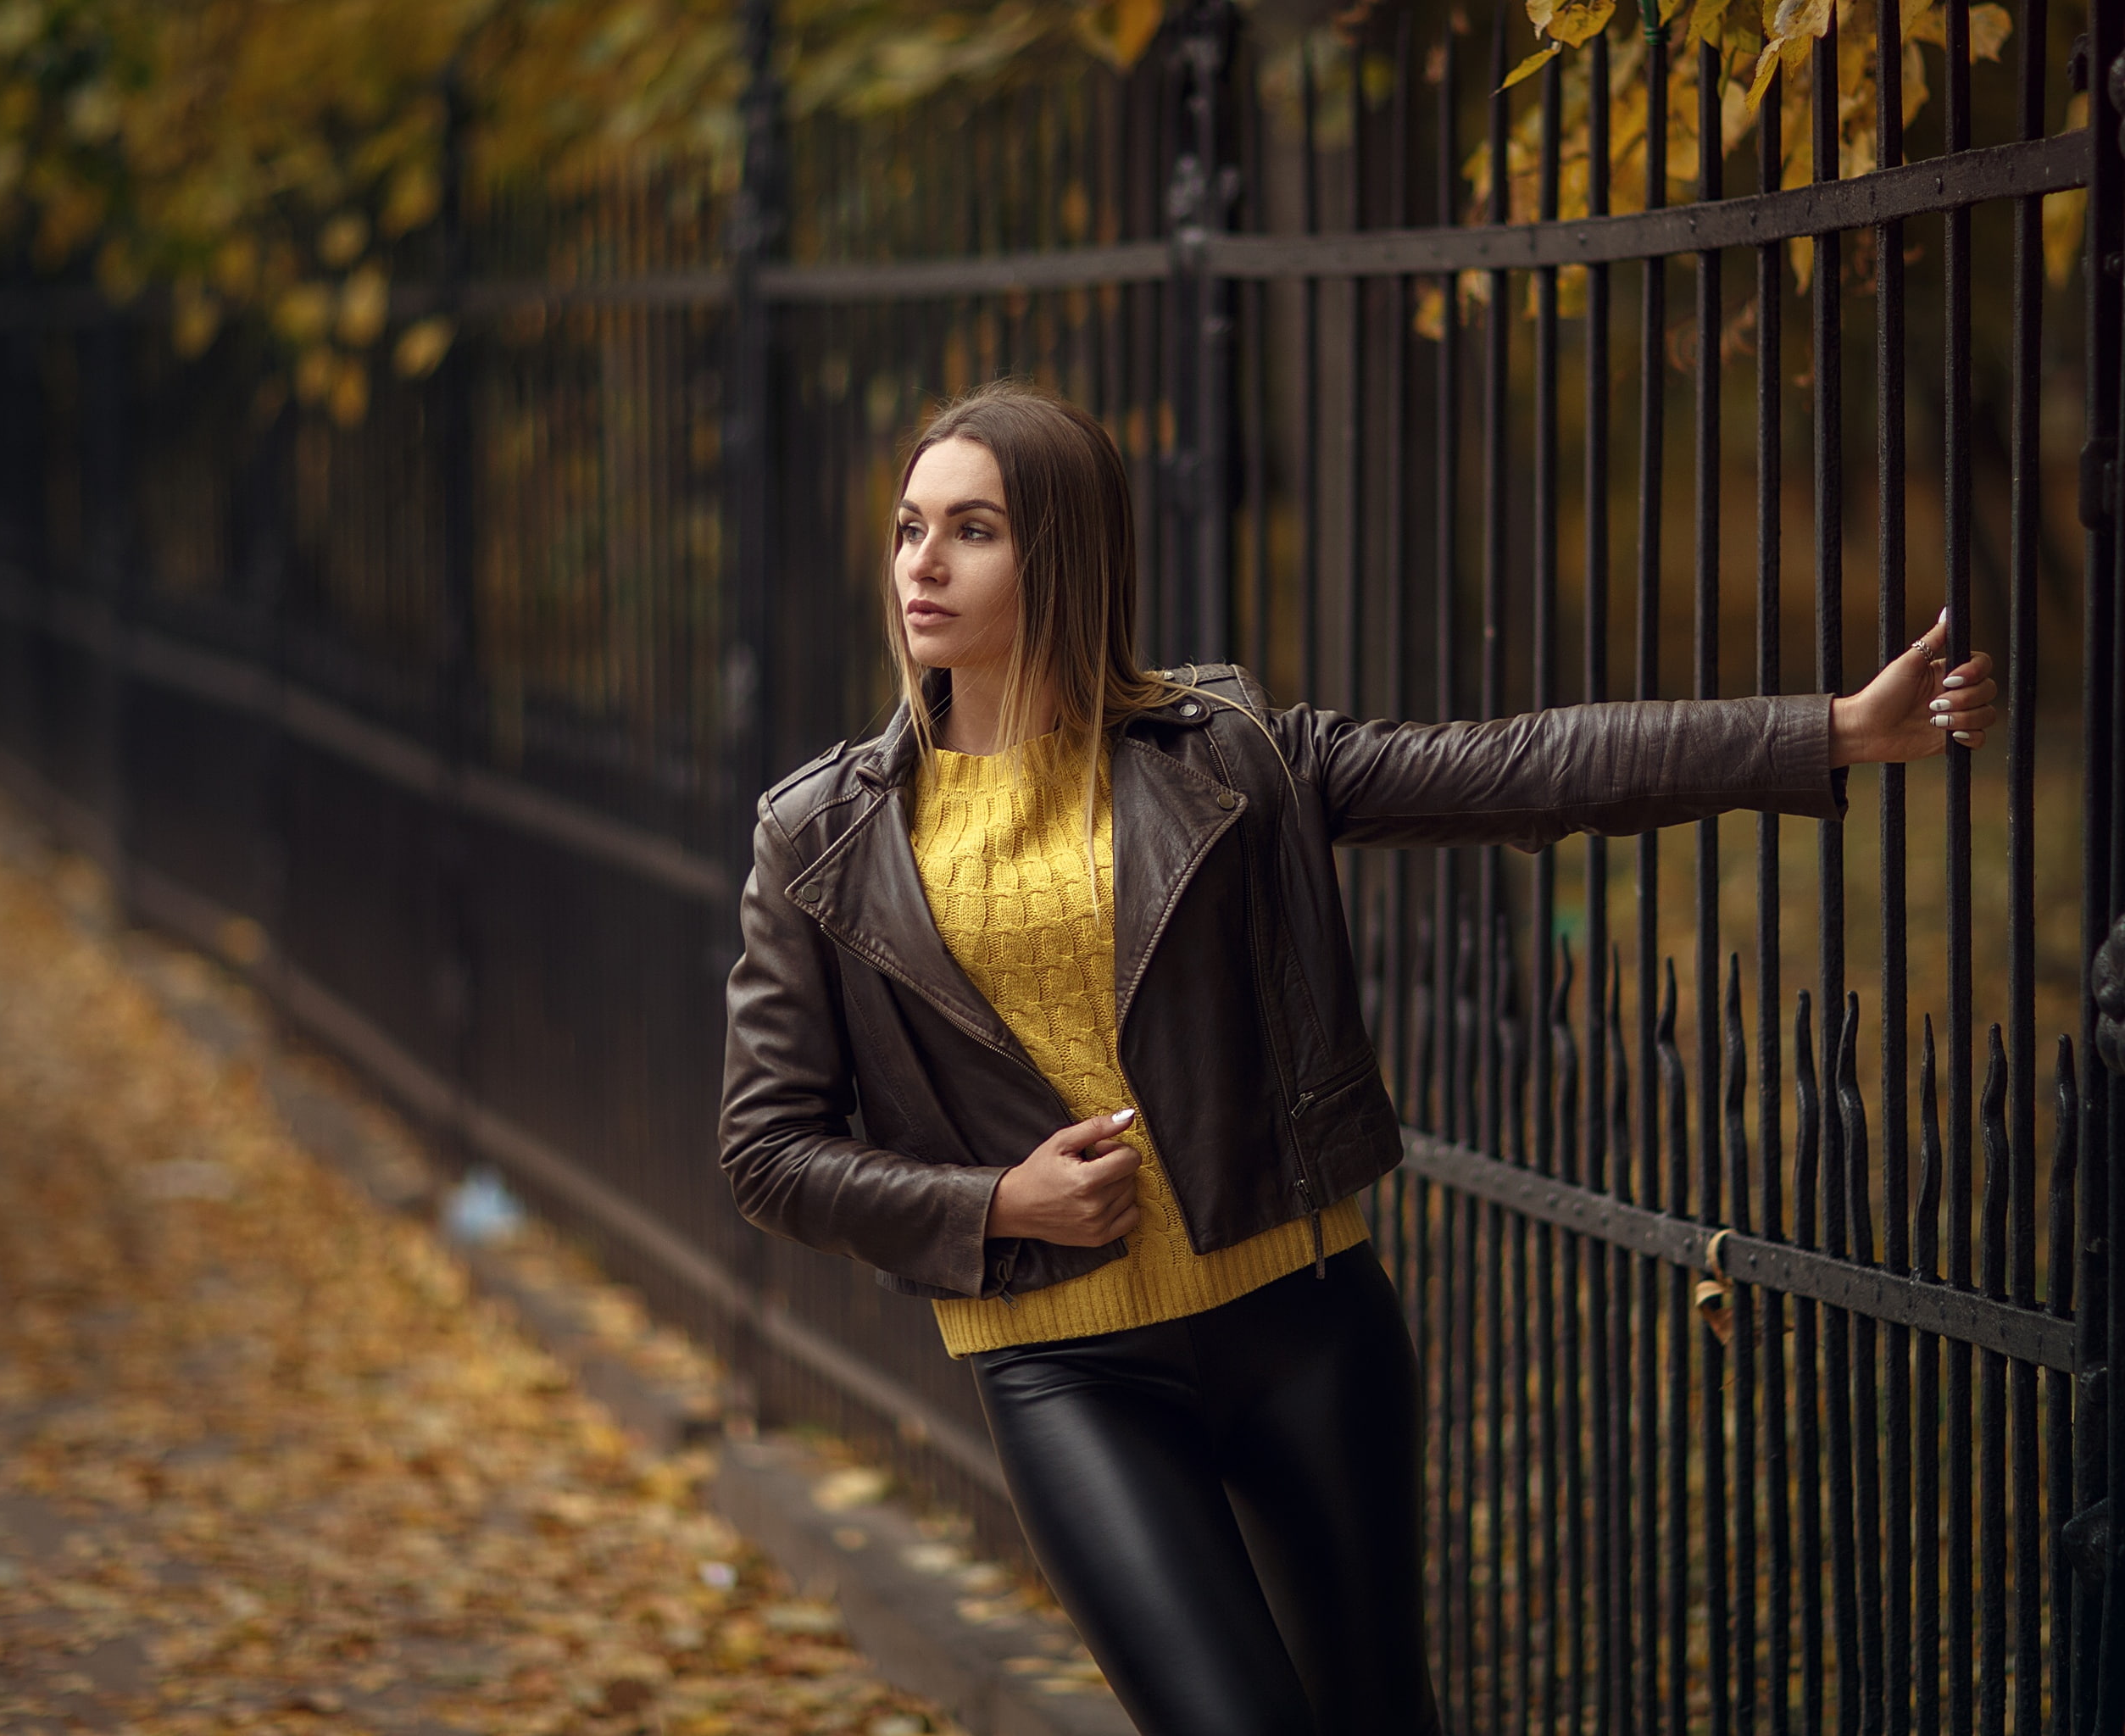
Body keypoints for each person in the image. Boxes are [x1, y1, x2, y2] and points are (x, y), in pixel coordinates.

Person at [718, 380, 1997, 1736]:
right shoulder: (824, 837)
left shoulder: (1230, 753)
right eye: (911, 527)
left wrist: (1839, 729)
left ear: (1065, 552)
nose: (923, 560)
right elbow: (767, 1151)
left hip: (1305, 1323)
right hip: (1064, 1365)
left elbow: (1525, 769)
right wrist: (993, 1205)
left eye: (972, 528)